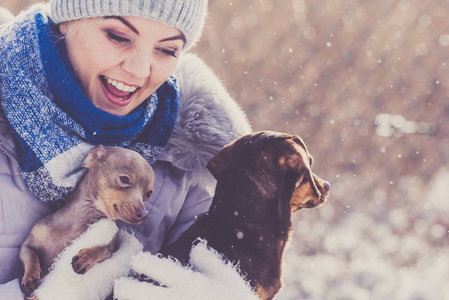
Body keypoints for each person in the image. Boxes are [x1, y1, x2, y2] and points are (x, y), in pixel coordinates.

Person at [0, 0, 251, 298]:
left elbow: (236, 280)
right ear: (66, 21)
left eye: (167, 49)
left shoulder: (194, 161)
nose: (140, 70)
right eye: (119, 37)